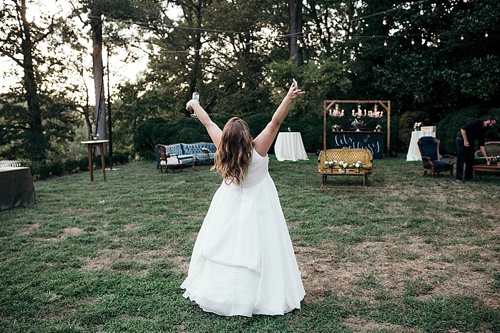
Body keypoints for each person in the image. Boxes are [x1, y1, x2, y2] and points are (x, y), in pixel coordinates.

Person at [180, 82, 306, 317]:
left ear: (227, 137)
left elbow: (207, 122)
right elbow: (275, 122)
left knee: (225, 244)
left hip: (228, 202)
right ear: (247, 135)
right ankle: (261, 296)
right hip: (260, 204)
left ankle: (221, 294)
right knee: (261, 246)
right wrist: (288, 97)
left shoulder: (222, 147)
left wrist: (194, 104)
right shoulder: (258, 149)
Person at [455, 115, 497, 182]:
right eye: (492, 124)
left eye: (493, 125)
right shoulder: (476, 121)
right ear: (488, 120)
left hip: (470, 142)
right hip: (461, 140)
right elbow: (463, 129)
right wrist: (465, 141)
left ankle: (468, 177)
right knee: (461, 158)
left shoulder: (484, 130)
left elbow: (481, 144)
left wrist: (486, 156)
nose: (492, 126)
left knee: (470, 159)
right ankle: (458, 178)